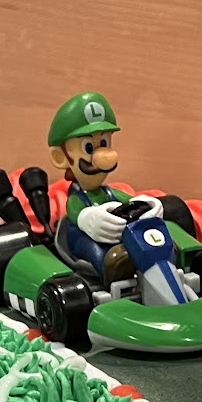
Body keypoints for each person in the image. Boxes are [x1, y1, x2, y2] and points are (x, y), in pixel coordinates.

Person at [46, 91, 162, 276]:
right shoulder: (77, 199)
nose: (103, 155)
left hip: (117, 235)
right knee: (98, 250)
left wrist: (150, 205)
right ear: (61, 157)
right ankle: (112, 268)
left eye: (104, 143)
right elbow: (78, 214)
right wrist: (91, 219)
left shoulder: (110, 193)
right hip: (83, 237)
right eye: (89, 148)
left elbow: (133, 201)